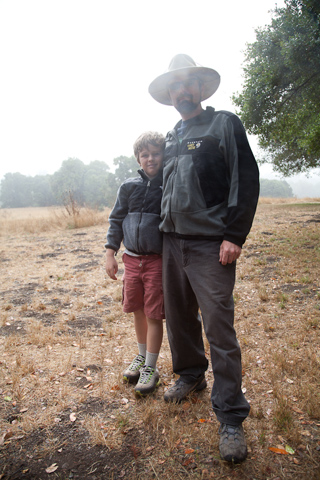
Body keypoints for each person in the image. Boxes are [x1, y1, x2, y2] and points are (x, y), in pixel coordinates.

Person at [148, 54, 259, 463]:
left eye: (188, 84)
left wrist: (234, 235)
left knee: (219, 327)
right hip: (171, 242)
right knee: (178, 319)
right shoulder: (172, 134)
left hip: (211, 245)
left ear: (200, 88)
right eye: (175, 86)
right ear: (171, 94)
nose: (182, 91)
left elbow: (245, 178)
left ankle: (231, 416)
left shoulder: (224, 124)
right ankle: (191, 376)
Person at [105, 131, 165, 396]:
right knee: (137, 310)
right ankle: (141, 357)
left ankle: (151, 367)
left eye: (156, 153)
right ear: (138, 158)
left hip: (157, 261)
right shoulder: (128, 187)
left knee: (154, 314)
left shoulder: (169, 185)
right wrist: (110, 252)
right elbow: (116, 219)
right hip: (131, 260)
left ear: (164, 155)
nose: (151, 159)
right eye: (145, 155)